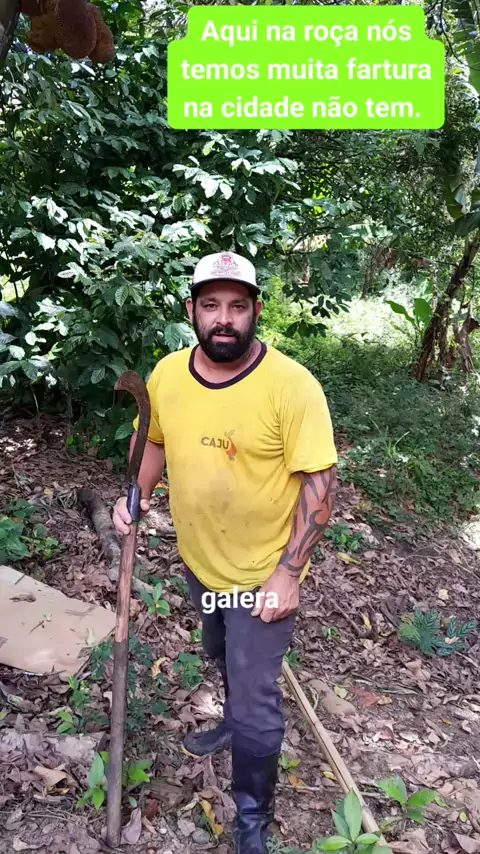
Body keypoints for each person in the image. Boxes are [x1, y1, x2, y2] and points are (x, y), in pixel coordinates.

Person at [112, 250, 338, 854]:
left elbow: (320, 483)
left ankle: (252, 816)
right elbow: (152, 440)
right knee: (218, 650)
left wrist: (289, 574)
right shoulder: (168, 374)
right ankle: (231, 718)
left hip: (262, 576)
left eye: (237, 306)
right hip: (200, 562)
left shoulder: (291, 386)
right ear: (192, 309)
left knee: (258, 700)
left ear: (256, 311)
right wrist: (136, 495)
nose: (224, 319)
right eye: (211, 305)